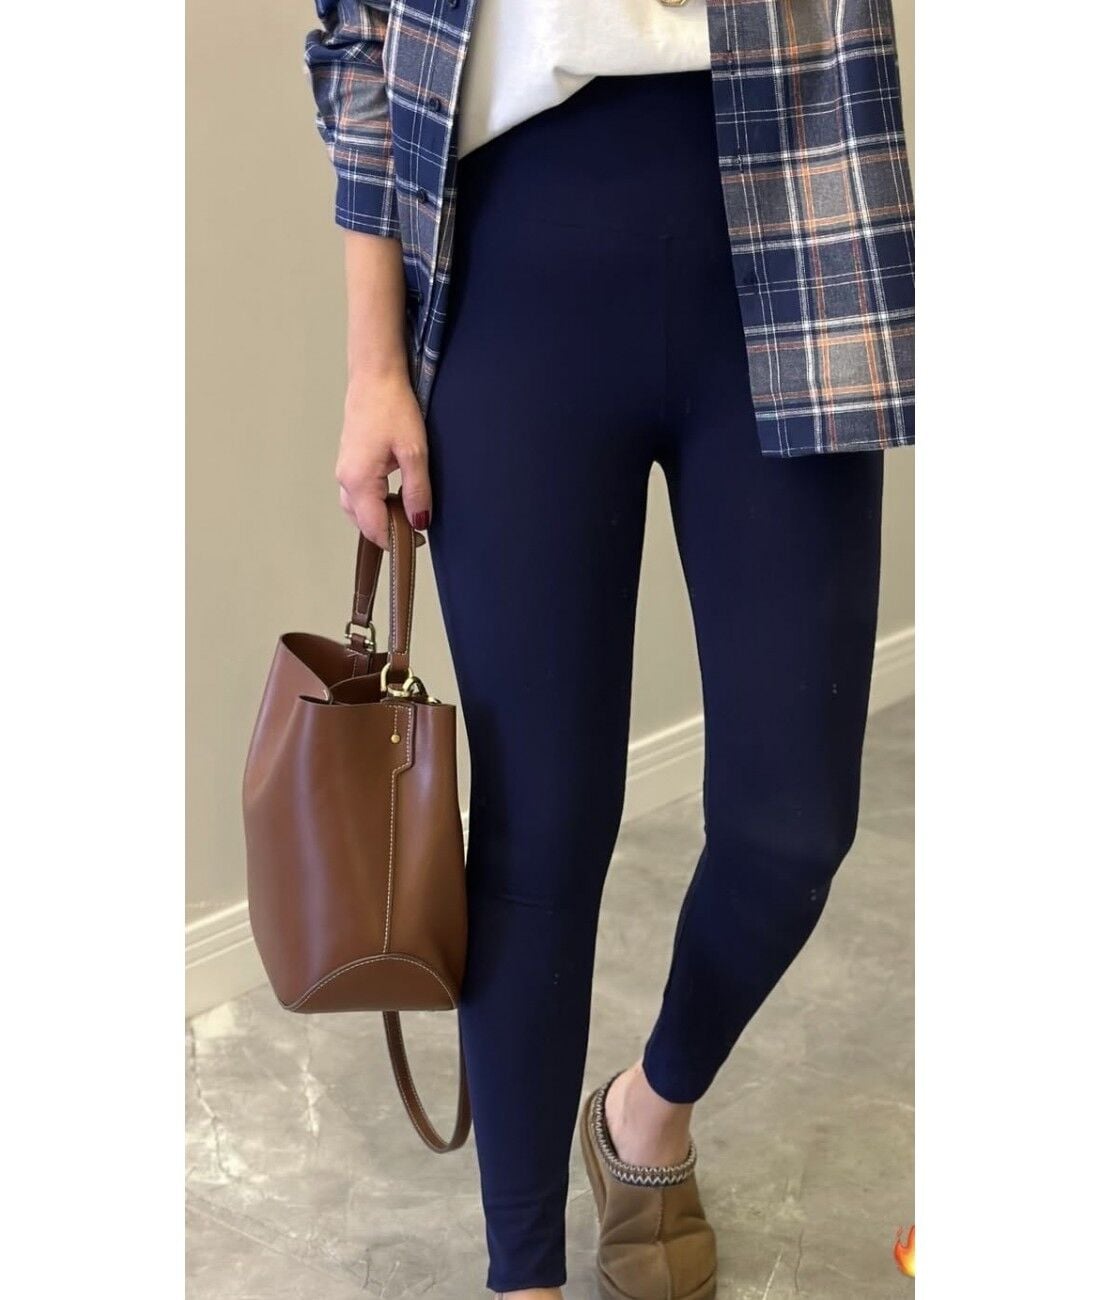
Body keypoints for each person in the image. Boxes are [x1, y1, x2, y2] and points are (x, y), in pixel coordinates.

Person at [304, 2, 914, 1297]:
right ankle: (522, 1272)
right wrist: (371, 362)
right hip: (516, 253)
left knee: (793, 825)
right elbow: (354, 29)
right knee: (541, 826)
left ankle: (644, 1115)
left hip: (794, 231)